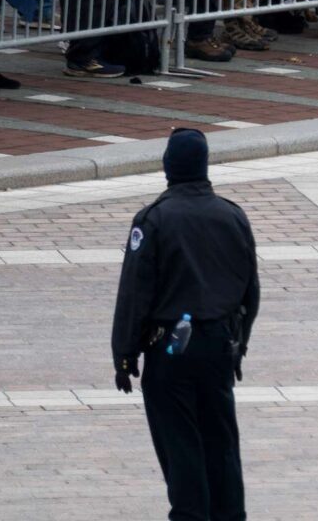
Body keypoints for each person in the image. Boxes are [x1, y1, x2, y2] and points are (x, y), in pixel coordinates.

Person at [112, 128, 260, 521]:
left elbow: (135, 294)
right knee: (222, 441)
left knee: (180, 443)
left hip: (170, 352)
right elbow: (251, 290)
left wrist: (124, 356)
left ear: (168, 167)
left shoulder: (153, 220)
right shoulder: (233, 215)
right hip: (218, 345)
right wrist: (239, 346)